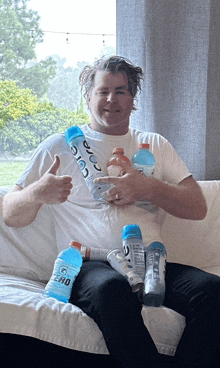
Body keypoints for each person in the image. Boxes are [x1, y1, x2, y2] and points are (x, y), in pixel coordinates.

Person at [2, 56, 220, 368]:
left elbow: (197, 207)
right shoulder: (59, 145)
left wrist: (146, 188)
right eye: (103, 91)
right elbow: (11, 213)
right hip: (89, 264)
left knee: (213, 292)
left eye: (121, 91)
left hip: (149, 261)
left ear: (132, 99)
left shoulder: (154, 145)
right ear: (88, 97)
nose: (111, 99)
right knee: (112, 289)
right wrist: (39, 193)